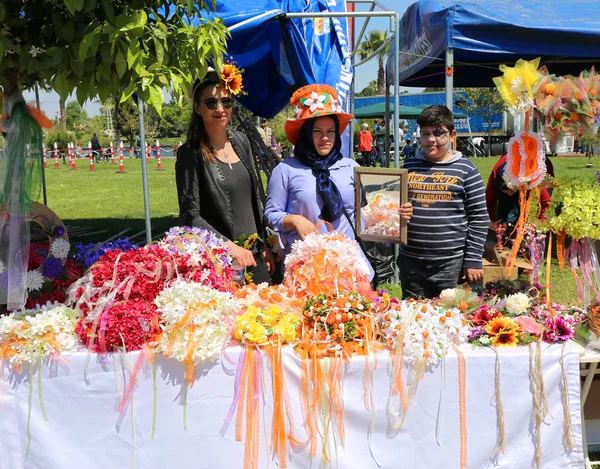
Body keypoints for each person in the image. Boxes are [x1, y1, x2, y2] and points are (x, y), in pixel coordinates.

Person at [264, 84, 413, 278]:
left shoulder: (351, 167)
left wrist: (395, 214)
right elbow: (271, 214)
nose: (325, 138)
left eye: (330, 131)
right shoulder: (285, 170)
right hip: (306, 269)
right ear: (305, 134)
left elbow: (366, 213)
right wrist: (294, 220)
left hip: (349, 265)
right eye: (317, 131)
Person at [175, 67, 274, 284]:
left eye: (226, 102)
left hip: (254, 255)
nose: (220, 108)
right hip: (221, 261)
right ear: (197, 108)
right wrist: (229, 247)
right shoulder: (189, 153)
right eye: (211, 103)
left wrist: (265, 244)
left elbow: (255, 197)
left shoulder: (241, 141)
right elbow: (190, 215)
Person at [398, 105, 490, 299]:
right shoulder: (408, 166)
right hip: (411, 261)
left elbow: (479, 218)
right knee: (412, 319)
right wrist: (397, 212)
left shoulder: (466, 170)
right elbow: (392, 207)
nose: (432, 139)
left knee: (449, 318)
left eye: (440, 133)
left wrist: (473, 259)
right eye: (426, 133)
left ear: (452, 135)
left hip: (450, 263)